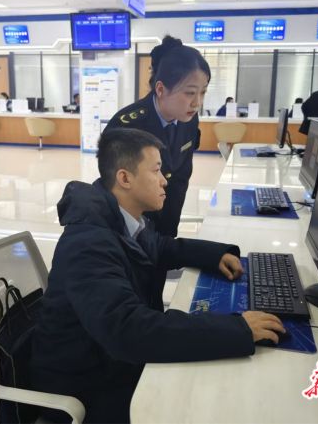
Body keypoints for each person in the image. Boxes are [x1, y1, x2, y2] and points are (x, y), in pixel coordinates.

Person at [30, 128, 284, 424]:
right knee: (204, 403)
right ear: (125, 178)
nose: (165, 180)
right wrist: (237, 329)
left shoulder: (118, 216)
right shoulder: (88, 243)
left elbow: (159, 248)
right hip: (85, 384)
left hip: (108, 359)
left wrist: (214, 255)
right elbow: (128, 331)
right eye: (156, 170)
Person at [104, 35, 209, 237]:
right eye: (189, 93)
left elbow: (180, 175)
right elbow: (117, 190)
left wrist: (169, 230)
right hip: (130, 231)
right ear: (160, 89)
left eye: (202, 92)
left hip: (169, 219)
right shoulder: (127, 126)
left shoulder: (189, 119)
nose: (197, 103)